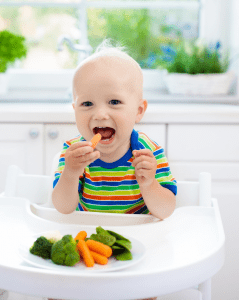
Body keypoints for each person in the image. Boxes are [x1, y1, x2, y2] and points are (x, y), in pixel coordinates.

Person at [51, 40, 177, 300]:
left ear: (139, 110)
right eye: (87, 104)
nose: (100, 114)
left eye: (114, 102)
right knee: (55, 291)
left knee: (145, 292)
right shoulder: (73, 152)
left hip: (139, 247)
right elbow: (63, 207)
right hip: (87, 246)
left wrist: (149, 184)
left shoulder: (148, 152)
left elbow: (165, 210)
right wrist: (71, 172)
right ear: (74, 110)